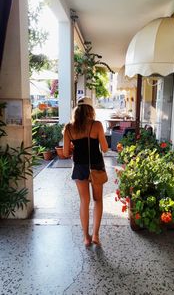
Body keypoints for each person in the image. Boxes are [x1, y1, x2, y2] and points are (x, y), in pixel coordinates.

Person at [63, 97, 108, 247]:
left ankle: (86, 237)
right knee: (98, 200)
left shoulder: (69, 128)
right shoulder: (97, 125)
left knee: (84, 201)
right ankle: (95, 235)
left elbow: (64, 152)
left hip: (79, 166)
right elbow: (105, 148)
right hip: (96, 166)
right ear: (91, 110)